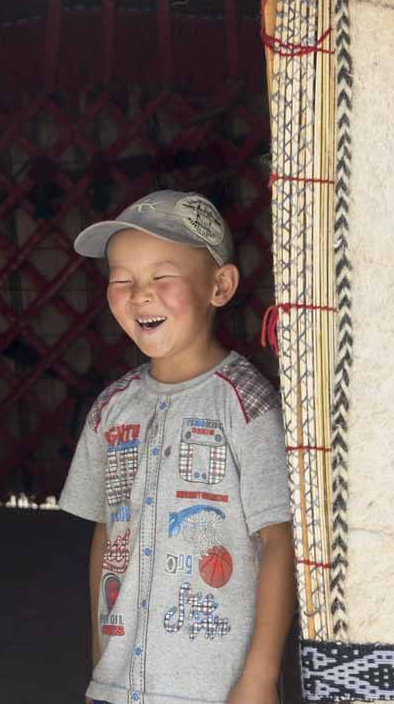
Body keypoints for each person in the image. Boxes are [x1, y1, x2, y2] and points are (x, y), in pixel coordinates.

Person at [59, 190, 296, 704]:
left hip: (215, 689)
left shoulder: (246, 404)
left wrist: (259, 678)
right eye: (122, 280)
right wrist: (103, 664)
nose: (140, 294)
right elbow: (107, 533)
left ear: (220, 285)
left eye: (161, 277)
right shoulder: (111, 409)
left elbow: (278, 542)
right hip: (119, 688)